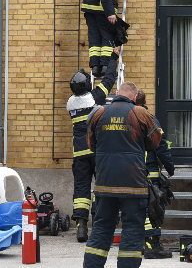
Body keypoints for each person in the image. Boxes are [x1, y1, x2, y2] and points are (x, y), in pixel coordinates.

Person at [84, 82, 162, 268]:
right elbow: (154, 141)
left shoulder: (98, 113)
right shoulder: (140, 113)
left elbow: (91, 145)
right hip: (133, 185)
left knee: (101, 229)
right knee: (133, 230)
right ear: (134, 97)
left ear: (116, 93)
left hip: (105, 183)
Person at [68, 47, 121, 242]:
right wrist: (114, 56)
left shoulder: (70, 103)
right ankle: (100, 223)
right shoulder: (95, 98)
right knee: (101, 186)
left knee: (81, 189)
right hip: (97, 150)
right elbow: (109, 79)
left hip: (79, 154)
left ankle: (81, 226)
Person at [135, 90, 175, 260]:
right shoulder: (149, 119)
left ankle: (141, 243)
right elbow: (161, 146)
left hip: (131, 173)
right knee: (153, 209)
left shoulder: (127, 120)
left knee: (138, 210)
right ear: (145, 103)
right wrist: (170, 167)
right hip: (149, 174)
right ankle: (153, 246)